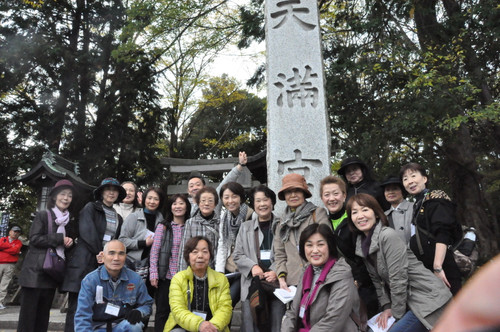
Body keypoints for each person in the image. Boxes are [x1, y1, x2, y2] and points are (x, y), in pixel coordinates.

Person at [347, 193, 451, 331]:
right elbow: (377, 281)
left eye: (365, 210)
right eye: (354, 212)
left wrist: (396, 315)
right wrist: (386, 308)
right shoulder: (362, 244)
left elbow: (398, 279)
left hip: (428, 300)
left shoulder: (387, 236)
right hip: (407, 303)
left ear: (376, 214)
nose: (360, 216)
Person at [62, 177, 126, 332]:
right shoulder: (90, 207)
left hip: (103, 263)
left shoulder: (118, 217)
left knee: (97, 305)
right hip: (84, 262)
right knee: (77, 306)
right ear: (102, 192)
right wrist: (102, 253)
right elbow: (87, 232)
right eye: (108, 189)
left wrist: (107, 258)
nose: (111, 193)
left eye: (115, 190)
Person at [18, 179, 77, 332]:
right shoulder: (43, 215)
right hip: (34, 275)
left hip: (51, 275)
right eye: (62, 194)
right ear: (54, 197)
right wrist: (59, 239)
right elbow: (35, 239)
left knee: (42, 319)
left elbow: (65, 248)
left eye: (69, 195)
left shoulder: (68, 221)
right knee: (28, 320)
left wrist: (69, 243)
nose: (66, 198)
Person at [281, 223, 361, 332]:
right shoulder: (306, 272)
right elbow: (292, 312)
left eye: (320, 244)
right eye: (309, 245)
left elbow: (333, 319)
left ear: (330, 246)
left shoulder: (341, 273)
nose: (315, 250)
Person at [319, 175, 378, 318]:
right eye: (327, 195)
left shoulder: (355, 220)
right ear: (322, 198)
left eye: (336, 193)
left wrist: (359, 279)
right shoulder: (323, 223)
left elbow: (366, 254)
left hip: (362, 285)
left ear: (344, 195)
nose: (332, 198)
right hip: (336, 284)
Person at [400, 162, 462, 295]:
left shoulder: (435, 198)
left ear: (424, 179)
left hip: (443, 267)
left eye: (413, 176)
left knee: (453, 307)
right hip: (427, 270)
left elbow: (443, 232)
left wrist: (438, 267)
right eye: (405, 179)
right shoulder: (418, 203)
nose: (410, 181)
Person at [233, 185, 285, 332]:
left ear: (272, 203)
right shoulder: (245, 227)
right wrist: (252, 267)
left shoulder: (282, 226)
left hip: (275, 284)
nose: (262, 204)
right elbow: (237, 254)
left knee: (277, 325)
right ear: (254, 205)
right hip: (252, 285)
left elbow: (289, 253)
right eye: (258, 201)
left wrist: (276, 270)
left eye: (265, 200)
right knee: (251, 326)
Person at [74, 240, 153, 331]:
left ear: (125, 257)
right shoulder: (90, 280)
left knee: (135, 326)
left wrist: (139, 312)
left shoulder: (135, 279)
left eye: (121, 254)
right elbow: (82, 316)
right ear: (102, 257)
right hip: (97, 327)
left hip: (122, 326)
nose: (116, 258)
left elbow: (147, 304)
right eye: (111, 253)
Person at [274, 173, 330, 290]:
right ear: (284, 196)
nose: (293, 195)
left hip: (318, 276)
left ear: (304, 193)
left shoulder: (317, 213)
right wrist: (281, 277)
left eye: (297, 191)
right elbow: (279, 254)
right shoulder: (281, 222)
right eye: (289, 192)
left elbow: (328, 242)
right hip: (292, 280)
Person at [164, 236, 232, 332]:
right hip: (183, 327)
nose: (200, 256)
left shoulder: (221, 279)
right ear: (188, 256)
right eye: (195, 252)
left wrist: (211, 328)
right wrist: (200, 325)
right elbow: (178, 310)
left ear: (210, 255)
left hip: (213, 328)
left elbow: (225, 309)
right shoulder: (178, 279)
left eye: (205, 252)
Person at [149, 194, 191, 332]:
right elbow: (155, 251)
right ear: (170, 207)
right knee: (162, 312)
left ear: (187, 206)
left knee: (185, 312)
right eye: (174, 204)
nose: (178, 206)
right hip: (167, 277)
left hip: (186, 277)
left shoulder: (191, 225)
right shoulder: (163, 227)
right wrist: (153, 273)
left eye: (181, 203)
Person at [215, 181, 253, 307]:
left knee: (228, 301)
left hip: (244, 268)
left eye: (234, 196)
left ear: (241, 197)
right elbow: (222, 244)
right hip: (229, 267)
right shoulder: (225, 218)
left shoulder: (251, 215)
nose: (230, 201)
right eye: (226, 197)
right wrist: (219, 271)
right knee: (220, 303)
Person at [119, 187, 164, 283]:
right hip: (133, 264)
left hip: (153, 266)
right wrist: (143, 243)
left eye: (156, 199)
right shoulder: (133, 217)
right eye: (149, 198)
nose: (152, 202)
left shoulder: (161, 219)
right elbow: (122, 240)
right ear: (144, 199)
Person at [186, 152, 249, 217]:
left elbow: (227, 180)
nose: (195, 187)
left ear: (204, 187)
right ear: (188, 191)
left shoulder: (214, 198)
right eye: (191, 186)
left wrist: (240, 165)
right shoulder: (184, 205)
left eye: (198, 184)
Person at [179, 187, 220, 272]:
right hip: (195, 269)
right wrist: (182, 273)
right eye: (203, 200)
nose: (206, 203)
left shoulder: (220, 223)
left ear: (215, 204)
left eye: (210, 201)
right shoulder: (190, 223)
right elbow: (184, 249)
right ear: (198, 203)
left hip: (215, 270)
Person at [381, 176, 413, 245]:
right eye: (387, 190)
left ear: (402, 191)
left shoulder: (415, 207)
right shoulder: (384, 216)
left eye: (395, 189)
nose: (391, 192)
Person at [0, 225, 22, 309]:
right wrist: (10, 247)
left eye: (17, 232)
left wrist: (4, 248)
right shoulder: (3, 239)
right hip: (0, 262)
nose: (15, 233)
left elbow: (15, 250)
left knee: (4, 284)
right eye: (14, 231)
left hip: (10, 265)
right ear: (10, 231)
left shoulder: (18, 242)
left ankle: (0, 302)